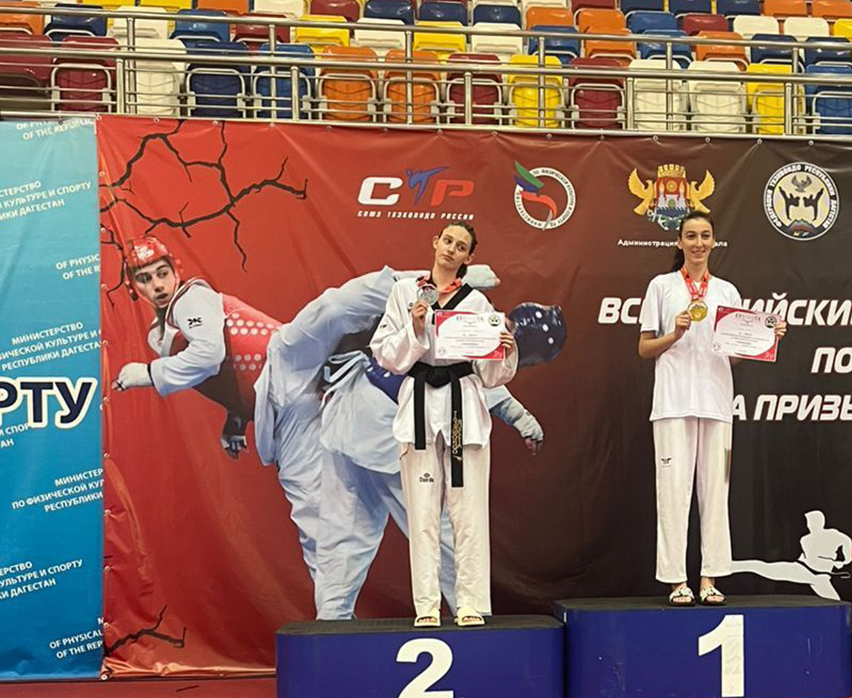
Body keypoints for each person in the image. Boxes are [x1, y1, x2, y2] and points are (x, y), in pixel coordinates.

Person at [113, 236, 399, 578]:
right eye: (145, 279)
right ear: (132, 288)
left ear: (176, 270)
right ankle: (333, 606)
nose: (158, 286)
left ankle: (427, 284)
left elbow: (208, 355)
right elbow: (220, 371)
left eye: (162, 273)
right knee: (312, 513)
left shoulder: (190, 298)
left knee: (333, 307)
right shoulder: (158, 334)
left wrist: (148, 373)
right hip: (278, 409)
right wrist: (236, 417)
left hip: (285, 360)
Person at [315, 297, 565, 620]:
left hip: (348, 421)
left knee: (346, 537)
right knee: (446, 530)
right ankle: (472, 614)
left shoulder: (464, 310)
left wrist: (520, 417)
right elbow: (463, 375)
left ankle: (331, 625)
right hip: (389, 429)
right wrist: (521, 418)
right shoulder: (478, 322)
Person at [370, 221, 517, 628]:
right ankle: (427, 605)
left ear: (469, 258)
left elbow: (491, 375)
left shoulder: (478, 303)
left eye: (461, 246)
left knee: (468, 513)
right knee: (421, 514)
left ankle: (470, 603)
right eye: (447, 241)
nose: (452, 249)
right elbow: (385, 354)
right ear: (435, 243)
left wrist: (505, 350)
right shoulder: (405, 292)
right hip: (418, 406)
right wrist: (415, 328)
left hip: (461, 408)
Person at [638, 210, 785, 606]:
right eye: (691, 236)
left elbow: (732, 354)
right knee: (673, 493)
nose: (698, 243)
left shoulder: (727, 292)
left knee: (716, 493)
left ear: (714, 242)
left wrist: (764, 338)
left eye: (705, 236)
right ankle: (676, 580)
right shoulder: (662, 286)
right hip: (672, 403)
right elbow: (644, 348)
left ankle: (709, 578)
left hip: (717, 402)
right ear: (679, 242)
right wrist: (675, 333)